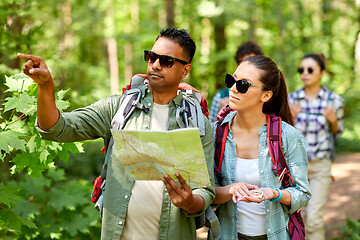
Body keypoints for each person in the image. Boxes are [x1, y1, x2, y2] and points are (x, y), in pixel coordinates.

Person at [18, 27, 215, 240]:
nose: (155, 65)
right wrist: (46, 87)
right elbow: (57, 128)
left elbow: (205, 190)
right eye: (151, 57)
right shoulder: (119, 107)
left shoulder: (197, 124)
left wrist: (190, 202)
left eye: (166, 61)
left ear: (184, 71)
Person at [212, 55, 311, 240]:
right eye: (231, 80)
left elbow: (303, 193)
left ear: (266, 95)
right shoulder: (215, 133)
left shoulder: (289, 137)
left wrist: (274, 193)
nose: (232, 89)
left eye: (243, 85)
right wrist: (230, 190)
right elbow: (205, 191)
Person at [288, 53, 344, 240]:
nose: (305, 73)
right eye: (301, 70)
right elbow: (284, 133)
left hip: (321, 165)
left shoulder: (334, 100)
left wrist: (334, 121)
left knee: (314, 219)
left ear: (322, 73)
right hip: (296, 166)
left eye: (310, 70)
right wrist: (291, 117)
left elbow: (337, 132)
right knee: (299, 218)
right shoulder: (291, 99)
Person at [208, 41, 264, 122]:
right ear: (236, 64)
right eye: (241, 62)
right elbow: (211, 131)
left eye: (251, 63)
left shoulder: (267, 97)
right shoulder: (221, 96)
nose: (233, 89)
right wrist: (222, 115)